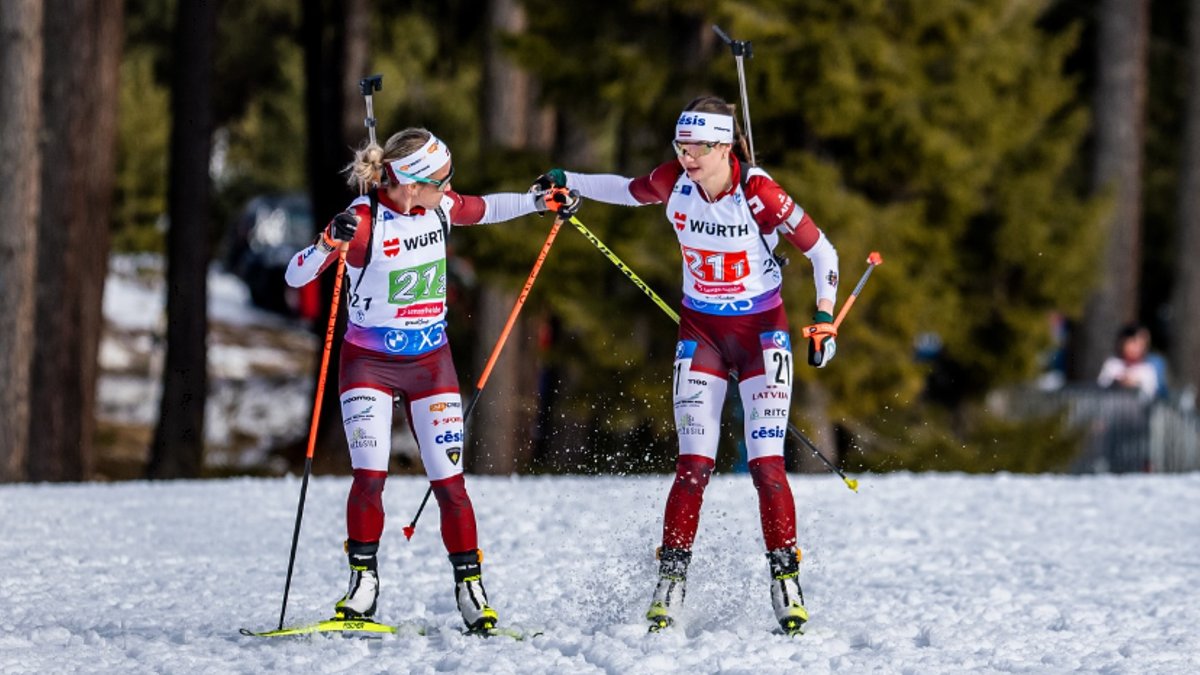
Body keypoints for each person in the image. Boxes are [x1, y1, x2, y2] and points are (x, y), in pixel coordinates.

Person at [532, 95, 840, 634]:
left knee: (767, 467)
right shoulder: (673, 180)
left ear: (724, 146)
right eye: (682, 146)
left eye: (697, 147)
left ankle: (786, 581)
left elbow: (824, 253)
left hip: (761, 335)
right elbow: (626, 190)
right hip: (700, 334)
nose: (687, 157)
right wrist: (569, 180)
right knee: (693, 466)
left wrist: (824, 318)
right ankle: (670, 583)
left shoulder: (758, 192)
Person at [284, 127, 579, 631]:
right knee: (370, 477)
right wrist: (328, 243)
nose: (451, 188)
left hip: (430, 364)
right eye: (443, 180)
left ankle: (471, 589)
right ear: (411, 184)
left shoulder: (438, 208)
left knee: (450, 484)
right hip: (368, 363)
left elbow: (486, 208)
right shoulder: (364, 221)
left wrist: (539, 202)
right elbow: (295, 276)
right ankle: (363, 586)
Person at [1097, 323, 1160, 403]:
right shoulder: (1112, 364)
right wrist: (1117, 382)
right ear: (1122, 343)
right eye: (1133, 343)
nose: (1136, 349)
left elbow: (1150, 396)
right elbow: (1101, 389)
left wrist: (1135, 385)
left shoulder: (1148, 370)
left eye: (1141, 345)